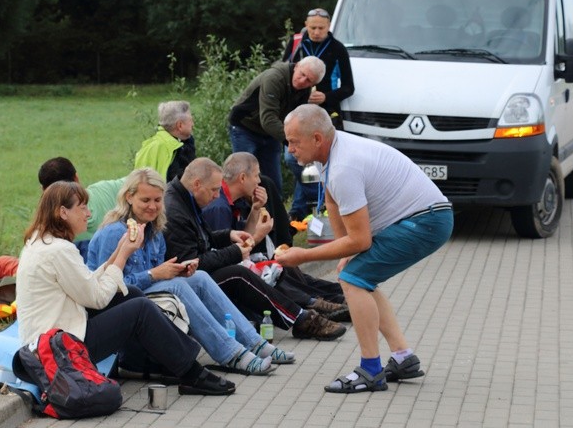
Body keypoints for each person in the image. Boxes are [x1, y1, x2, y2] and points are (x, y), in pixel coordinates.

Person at [278, 104, 454, 394]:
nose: (290, 148)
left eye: (294, 142)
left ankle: (371, 371)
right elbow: (333, 202)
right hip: (424, 217)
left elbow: (361, 241)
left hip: (426, 222)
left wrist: (303, 256)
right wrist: (344, 249)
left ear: (317, 139)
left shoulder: (344, 166)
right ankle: (403, 357)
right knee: (358, 274)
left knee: (352, 279)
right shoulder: (331, 155)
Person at [15, 180, 235, 396]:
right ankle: (192, 374)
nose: (89, 214)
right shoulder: (58, 250)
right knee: (139, 309)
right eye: (82, 208)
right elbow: (97, 298)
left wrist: (119, 250)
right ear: (63, 212)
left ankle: (153, 363)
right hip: (59, 349)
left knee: (131, 295)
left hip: (52, 338)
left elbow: (87, 284)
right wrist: (123, 255)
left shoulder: (42, 243)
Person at [87, 168, 295, 375]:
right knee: (178, 286)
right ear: (129, 197)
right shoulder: (115, 232)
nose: (152, 206)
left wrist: (177, 271)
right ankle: (232, 354)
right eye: (145, 200)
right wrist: (156, 274)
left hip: (143, 293)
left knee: (200, 277)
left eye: (158, 200)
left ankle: (255, 343)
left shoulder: (154, 230)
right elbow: (110, 285)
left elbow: (156, 274)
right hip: (117, 304)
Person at [163, 157, 346, 341]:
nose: (216, 195)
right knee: (240, 273)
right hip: (185, 282)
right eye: (214, 190)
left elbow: (204, 240)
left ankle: (318, 305)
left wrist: (228, 234)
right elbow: (191, 264)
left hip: (193, 275)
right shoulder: (180, 211)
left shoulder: (186, 199)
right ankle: (303, 317)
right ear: (197, 184)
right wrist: (237, 250)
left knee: (272, 267)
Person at [0, 157, 123, 303]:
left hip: (66, 273)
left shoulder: (55, 218)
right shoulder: (105, 190)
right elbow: (138, 181)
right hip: (95, 264)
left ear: (45, 192)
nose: (87, 214)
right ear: (76, 177)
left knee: (2, 263)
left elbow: (30, 260)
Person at [202, 152, 349, 321]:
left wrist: (256, 208)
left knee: (282, 269)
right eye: (256, 175)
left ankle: (335, 297)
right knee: (273, 271)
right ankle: (318, 305)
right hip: (225, 275)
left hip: (236, 265)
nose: (259, 181)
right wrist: (259, 236)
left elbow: (242, 237)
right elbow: (226, 255)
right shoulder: (218, 207)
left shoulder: (231, 201)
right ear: (242, 178)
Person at [282, 7, 355, 221]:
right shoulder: (296, 43)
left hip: (325, 114)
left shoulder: (338, 49)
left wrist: (327, 97)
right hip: (297, 112)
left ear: (329, 27)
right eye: (312, 27)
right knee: (295, 158)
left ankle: (298, 212)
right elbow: (285, 72)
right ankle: (314, 201)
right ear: (305, 24)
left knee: (316, 162)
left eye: (321, 28)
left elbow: (349, 87)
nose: (315, 32)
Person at [228, 56, 325, 193]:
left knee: (273, 184)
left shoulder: (305, 90)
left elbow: (297, 118)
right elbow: (268, 119)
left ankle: (274, 213)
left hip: (270, 133)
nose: (303, 81)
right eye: (302, 74)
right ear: (296, 66)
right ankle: (238, 211)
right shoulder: (274, 78)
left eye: (309, 80)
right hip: (245, 127)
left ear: (313, 84)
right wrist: (295, 141)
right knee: (243, 177)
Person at [134, 100, 196, 182]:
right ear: (180, 125)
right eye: (191, 120)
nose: (193, 124)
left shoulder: (182, 144)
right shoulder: (167, 149)